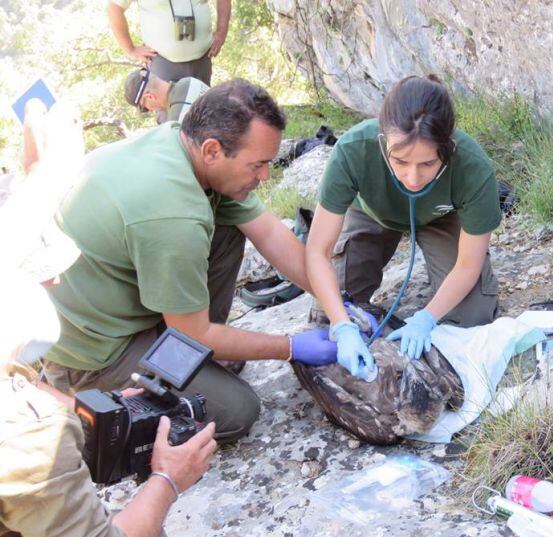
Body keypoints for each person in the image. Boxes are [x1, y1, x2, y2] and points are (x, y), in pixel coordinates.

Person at [42, 79, 335, 443]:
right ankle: (97, 411)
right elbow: (192, 332)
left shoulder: (184, 144)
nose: (264, 177)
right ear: (212, 150)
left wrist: (339, 304)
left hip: (130, 309)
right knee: (237, 411)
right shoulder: (173, 213)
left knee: (229, 227)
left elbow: (270, 233)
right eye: (257, 165)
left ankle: (189, 361)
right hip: (95, 354)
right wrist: (291, 347)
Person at [0, 100, 216, 537]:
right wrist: (167, 479)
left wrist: (99, 414)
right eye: (47, 273)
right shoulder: (28, 431)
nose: (58, 282)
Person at [306, 75, 501, 379]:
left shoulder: (473, 167)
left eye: (428, 164)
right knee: (327, 313)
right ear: (383, 142)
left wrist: (427, 317)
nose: (412, 178)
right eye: (400, 161)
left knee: (471, 314)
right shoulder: (351, 151)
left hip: (440, 217)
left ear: (447, 148)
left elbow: (467, 265)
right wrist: (342, 326)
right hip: (371, 213)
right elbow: (318, 251)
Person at [107, 0, 231, 85]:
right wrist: (131, 50)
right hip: (163, 63)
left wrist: (222, 32)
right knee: (172, 119)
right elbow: (114, 8)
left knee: (205, 115)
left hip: (203, 59)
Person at [124, 67, 209, 123]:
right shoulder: (189, 81)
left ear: (150, 97)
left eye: (144, 108)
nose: (150, 110)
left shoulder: (177, 122)